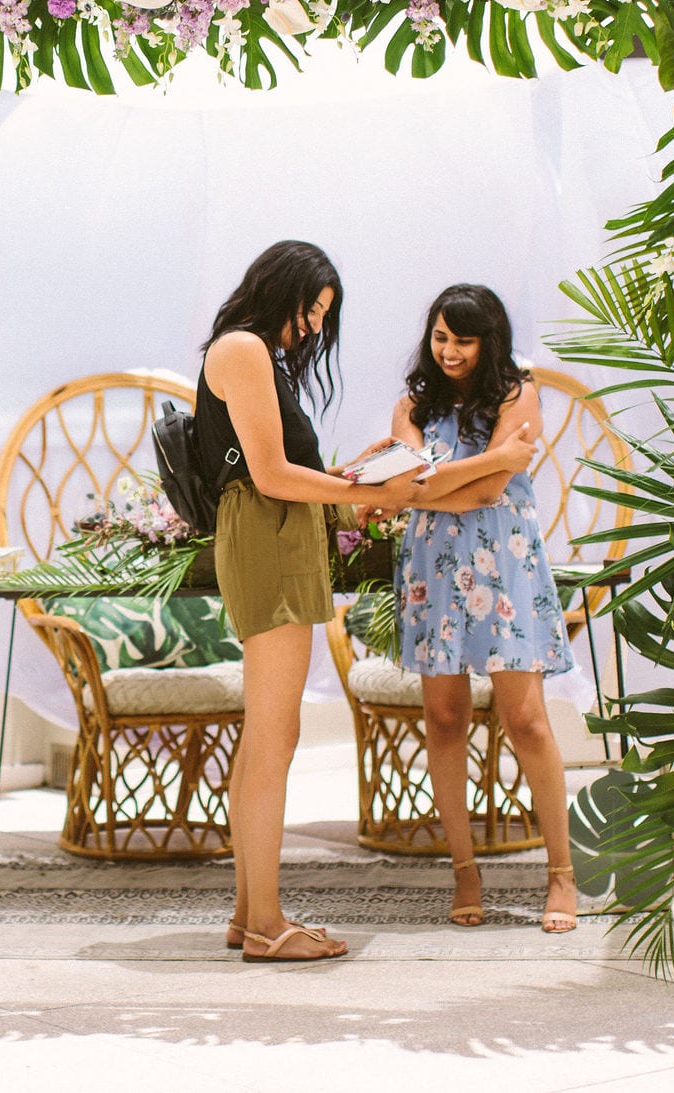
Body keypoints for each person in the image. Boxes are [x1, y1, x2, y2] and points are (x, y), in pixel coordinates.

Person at [197, 243, 533, 962]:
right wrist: (366, 491)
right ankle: (266, 925)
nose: (313, 329)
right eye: (310, 312)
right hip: (265, 531)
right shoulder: (244, 348)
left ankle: (250, 912)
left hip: (278, 531)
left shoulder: (254, 353)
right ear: (280, 290)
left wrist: (356, 474)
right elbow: (270, 474)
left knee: (267, 734)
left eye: (322, 318)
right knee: (275, 734)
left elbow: (287, 469)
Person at [387, 283, 579, 935]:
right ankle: (465, 871)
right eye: (440, 336)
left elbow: (489, 490)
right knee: (444, 717)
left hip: (504, 566)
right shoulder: (410, 407)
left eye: (463, 339)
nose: (449, 350)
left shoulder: (519, 392)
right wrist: (491, 459)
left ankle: (561, 874)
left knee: (525, 719)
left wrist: (434, 485)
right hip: (432, 572)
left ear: (488, 339)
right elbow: (402, 483)